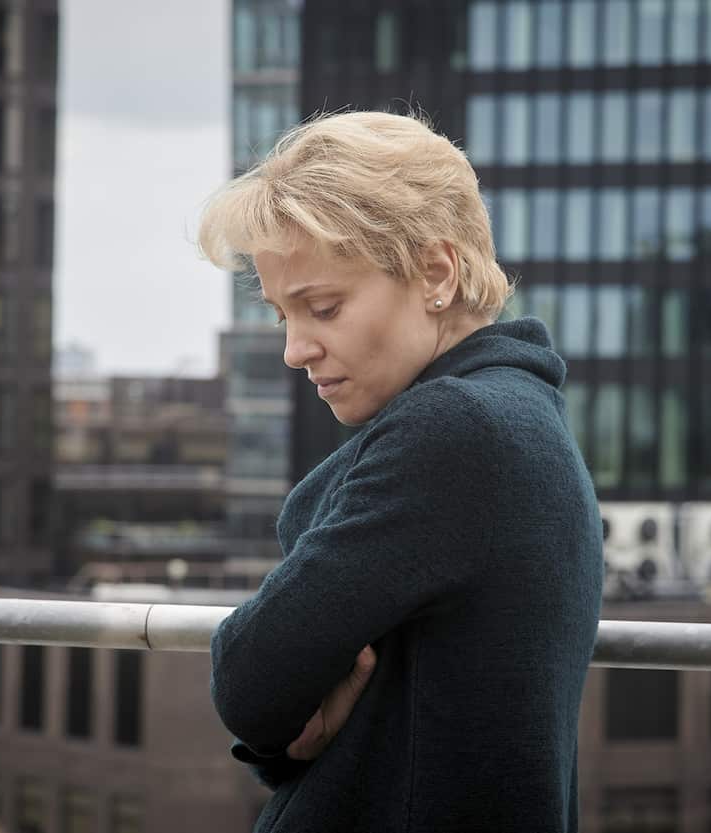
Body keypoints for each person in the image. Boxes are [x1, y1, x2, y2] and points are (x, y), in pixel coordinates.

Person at [196, 109, 603, 833]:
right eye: (284, 316)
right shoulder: (519, 414)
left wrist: (282, 703)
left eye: (324, 308)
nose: (295, 350)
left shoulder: (453, 429)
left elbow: (248, 679)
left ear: (437, 273)